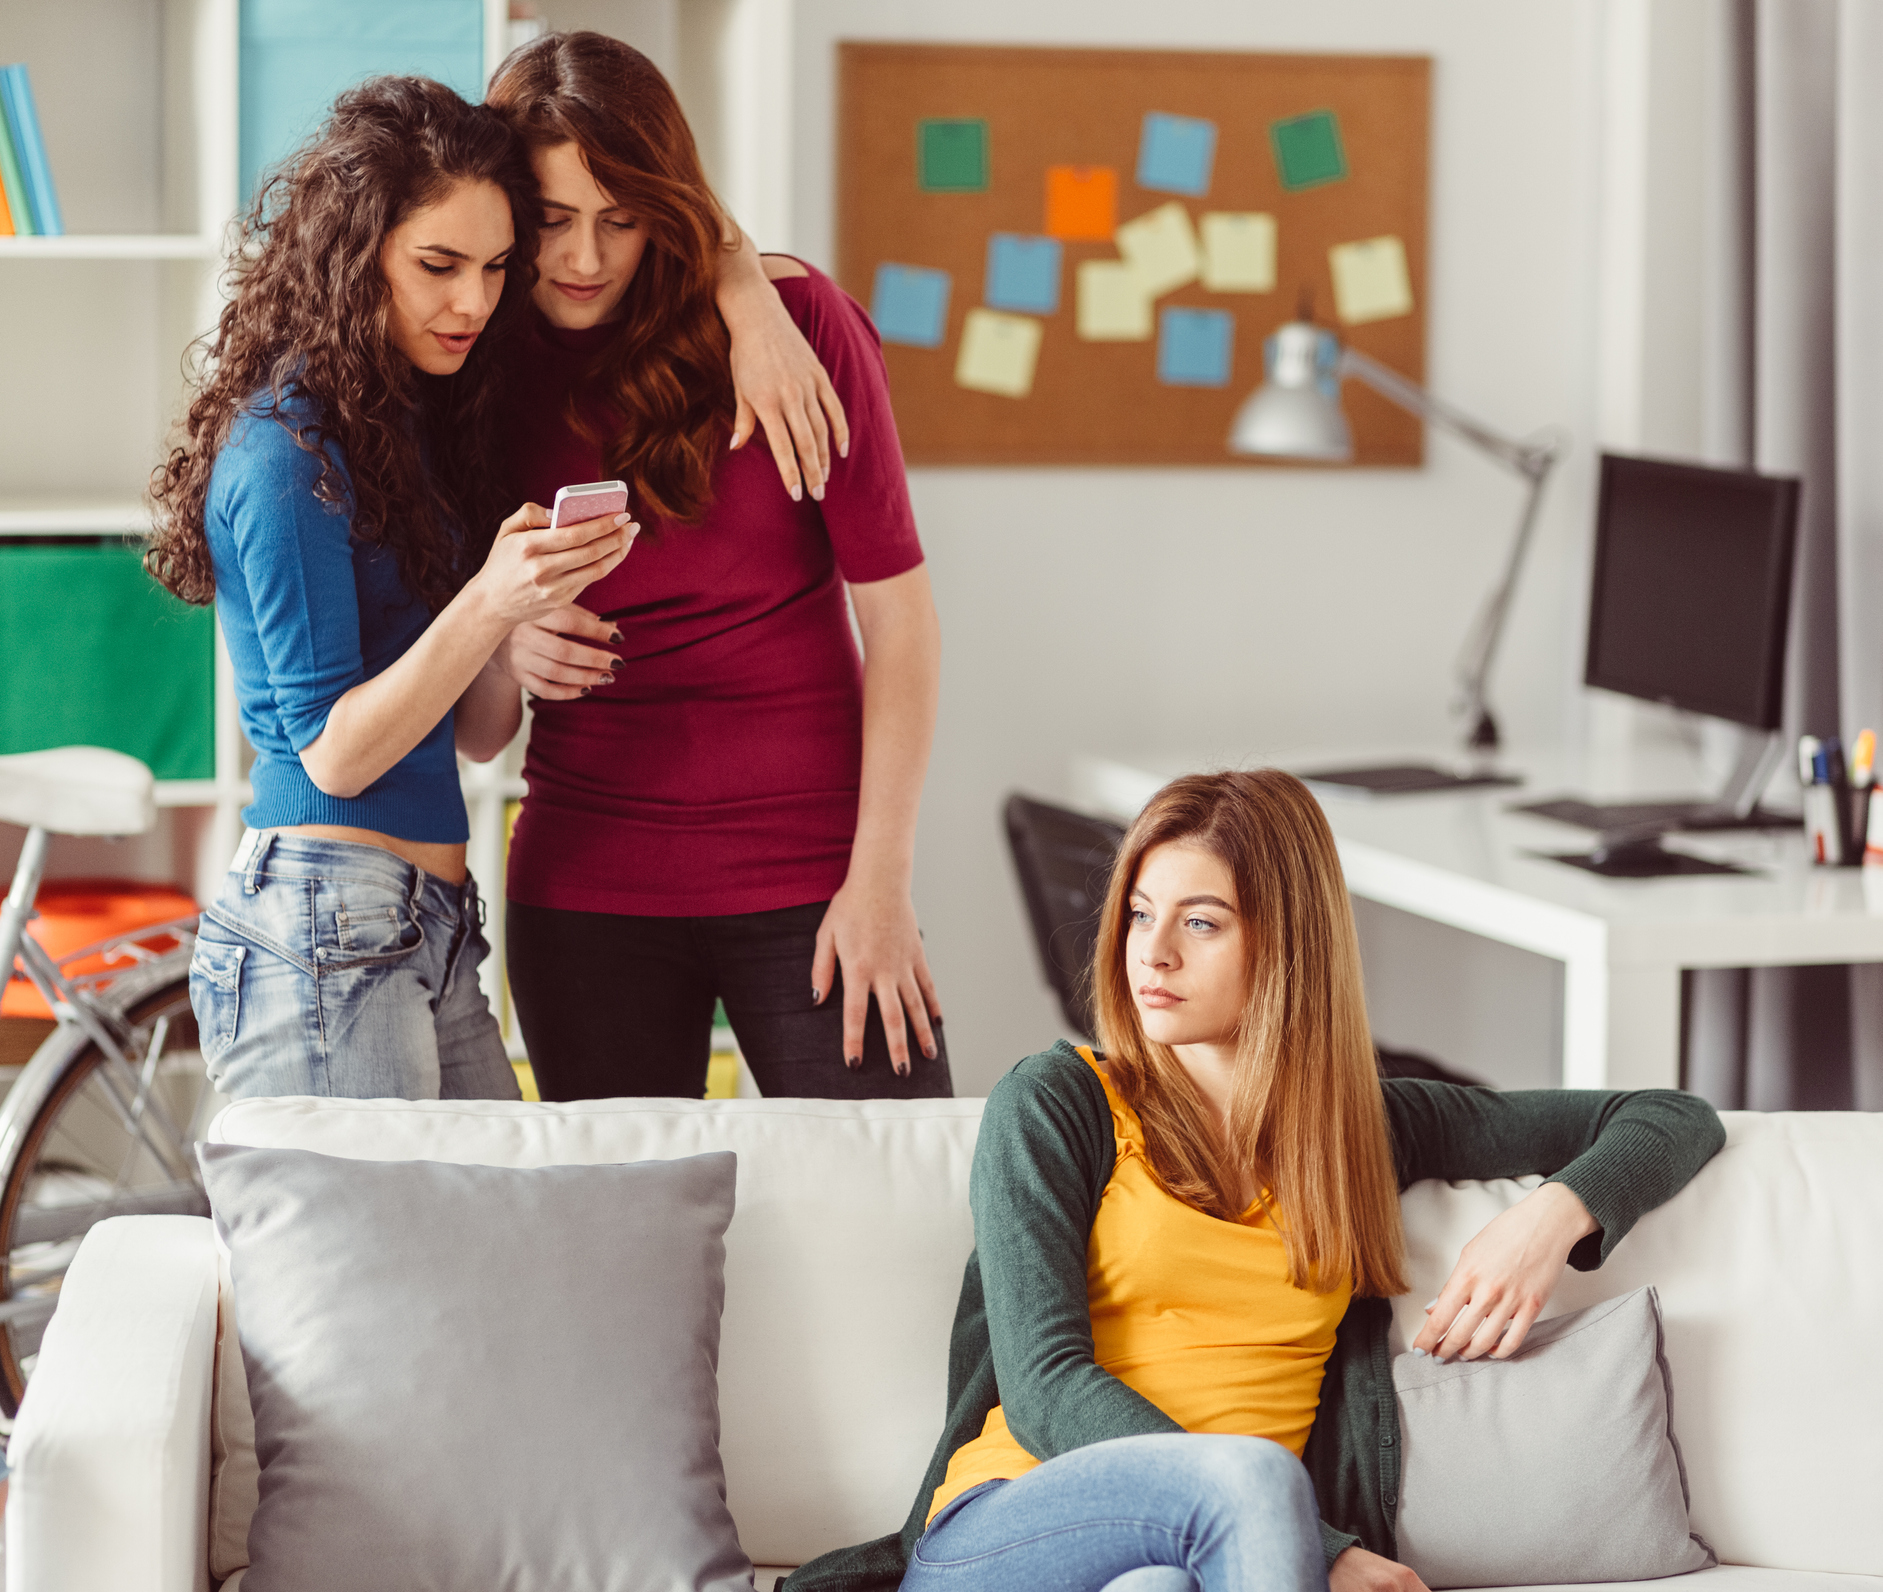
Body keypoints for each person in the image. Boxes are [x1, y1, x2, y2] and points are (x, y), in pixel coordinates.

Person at [787, 770, 1725, 1592]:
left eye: (1199, 923)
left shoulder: (1371, 1129)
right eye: (1141, 916)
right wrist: (1314, 1544)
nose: (1151, 955)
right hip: (1008, 1528)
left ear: (1284, 946)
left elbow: (1671, 1115)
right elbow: (1042, 1387)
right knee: (1246, 1483)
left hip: (1209, 1559)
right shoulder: (1058, 1106)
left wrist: (1548, 1220)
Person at [148, 76, 840, 1102]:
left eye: (494, 267)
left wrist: (522, 627)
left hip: (431, 920)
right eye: (438, 265)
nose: (472, 301)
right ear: (355, 253)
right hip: (324, 920)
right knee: (399, 1261)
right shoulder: (287, 449)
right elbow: (332, 752)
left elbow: (477, 735)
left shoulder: (418, 424)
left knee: (520, 1238)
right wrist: (489, 603)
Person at [484, 33, 952, 1101]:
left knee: (895, 1221)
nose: (585, 259)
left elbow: (903, 625)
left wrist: (879, 878)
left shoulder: (798, 331)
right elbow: (466, 642)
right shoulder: (477, 365)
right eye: (551, 220)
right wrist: (507, 638)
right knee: (626, 1250)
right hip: (586, 882)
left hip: (815, 875)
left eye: (621, 218)